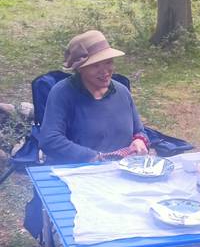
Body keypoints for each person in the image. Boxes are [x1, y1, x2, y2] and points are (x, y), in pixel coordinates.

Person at [39, 30, 149, 164]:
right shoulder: (62, 93)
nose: (104, 71)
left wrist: (139, 141)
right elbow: (50, 140)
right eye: (95, 65)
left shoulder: (122, 91)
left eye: (108, 62)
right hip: (76, 171)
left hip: (122, 170)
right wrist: (95, 158)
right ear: (80, 68)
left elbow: (139, 131)